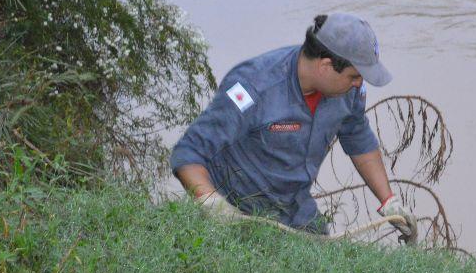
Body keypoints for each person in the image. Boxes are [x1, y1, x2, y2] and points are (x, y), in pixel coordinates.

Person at [170, 13, 417, 240]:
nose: (359, 83)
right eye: (354, 76)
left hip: (296, 210)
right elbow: (188, 154)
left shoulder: (348, 91)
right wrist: (212, 202)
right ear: (325, 66)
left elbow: (357, 136)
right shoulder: (253, 87)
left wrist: (389, 201)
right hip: (241, 212)